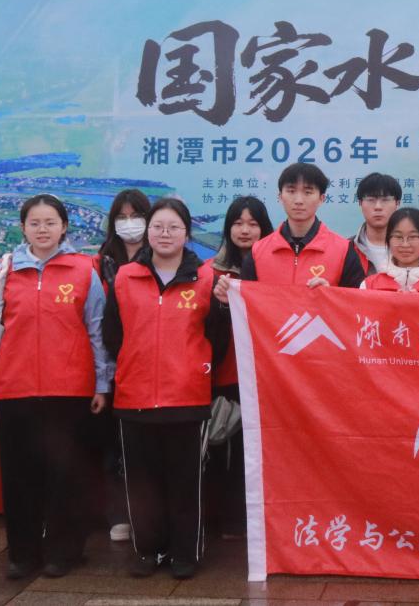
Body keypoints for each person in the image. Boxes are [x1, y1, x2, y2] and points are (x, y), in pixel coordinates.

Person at [0, 194, 110, 580]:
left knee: (65, 474)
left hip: (69, 390)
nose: (43, 230)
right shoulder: (5, 272)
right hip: (14, 388)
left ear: (64, 227)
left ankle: (64, 552)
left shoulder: (83, 271)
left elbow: (97, 330)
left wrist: (102, 382)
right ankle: (22, 555)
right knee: (19, 476)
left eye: (50, 222)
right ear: (23, 227)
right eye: (35, 223)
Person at [103, 197, 227, 580]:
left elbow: (218, 339)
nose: (165, 234)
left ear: (186, 233)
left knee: (185, 483)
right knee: (142, 483)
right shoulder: (125, 278)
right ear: (148, 231)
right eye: (158, 226)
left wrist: (195, 370)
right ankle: (148, 551)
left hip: (187, 397)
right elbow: (112, 334)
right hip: (134, 397)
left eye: (174, 227)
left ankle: (185, 553)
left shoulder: (207, 280)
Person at [206, 195, 274, 539]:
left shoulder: (274, 270)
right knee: (222, 448)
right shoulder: (210, 272)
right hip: (226, 374)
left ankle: (255, 520)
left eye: (253, 224)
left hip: (266, 377)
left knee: (259, 453)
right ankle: (223, 519)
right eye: (237, 223)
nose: (245, 230)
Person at [214, 162, 366, 305]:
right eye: (291, 191)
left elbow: (358, 306)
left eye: (308, 192)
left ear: (321, 198)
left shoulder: (343, 250)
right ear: (280, 197)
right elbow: (247, 309)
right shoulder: (258, 251)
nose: (298, 200)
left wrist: (331, 296)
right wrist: (228, 302)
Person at [92, 188, 151, 543]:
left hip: (147, 365)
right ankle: (118, 513)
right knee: (112, 445)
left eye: (136, 216)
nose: (130, 224)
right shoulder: (100, 263)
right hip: (109, 366)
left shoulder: (160, 258)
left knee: (143, 447)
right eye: (122, 217)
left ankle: (145, 514)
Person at [361, 208, 419, 292]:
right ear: (388, 239)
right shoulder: (368, 286)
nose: (405, 244)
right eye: (398, 237)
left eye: (413, 237)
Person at [94, 189, 152, 287]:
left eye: (136, 216)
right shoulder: (103, 261)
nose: (129, 222)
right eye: (121, 217)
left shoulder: (157, 259)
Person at [352, 172, 401, 275]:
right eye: (371, 200)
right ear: (360, 203)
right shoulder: (347, 249)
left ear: (397, 203)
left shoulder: (411, 248)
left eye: (385, 200)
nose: (378, 207)